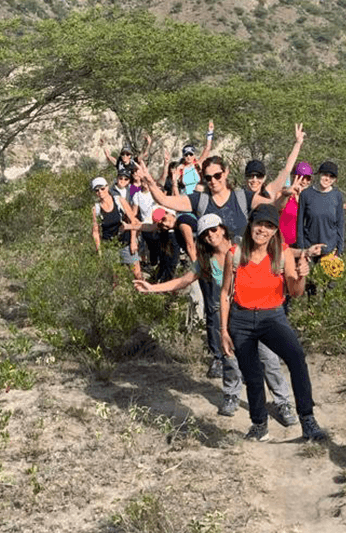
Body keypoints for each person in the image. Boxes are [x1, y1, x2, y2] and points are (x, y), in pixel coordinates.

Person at [134, 214, 297, 424]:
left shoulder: (243, 246)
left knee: (268, 359)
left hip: (260, 311)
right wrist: (152, 288)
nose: (211, 235)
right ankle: (231, 395)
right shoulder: (205, 261)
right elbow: (182, 281)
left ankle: (282, 401)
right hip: (230, 314)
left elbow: (276, 252)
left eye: (213, 230)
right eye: (205, 234)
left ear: (222, 228)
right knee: (230, 358)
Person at [220, 203, 326, 442]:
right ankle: (259, 425)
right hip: (241, 319)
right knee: (252, 374)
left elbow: (296, 292)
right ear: (251, 225)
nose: (263, 230)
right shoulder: (234, 253)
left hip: (272, 317)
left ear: (276, 230)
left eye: (269, 226)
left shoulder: (283, 253)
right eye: (259, 224)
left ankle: (307, 419)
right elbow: (225, 293)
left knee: (296, 357)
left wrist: (301, 276)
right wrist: (223, 330)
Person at [141, 157, 286, 240]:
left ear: (226, 173)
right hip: (212, 269)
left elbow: (273, 205)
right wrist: (149, 181)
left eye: (217, 175)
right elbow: (164, 201)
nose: (213, 181)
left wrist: (285, 195)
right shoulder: (200, 200)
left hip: (241, 265)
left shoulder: (242, 197)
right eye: (208, 177)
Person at [90, 176, 142, 280]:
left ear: (107, 187)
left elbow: (133, 221)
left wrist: (133, 241)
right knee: (114, 277)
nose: (100, 192)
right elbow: (95, 231)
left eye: (102, 188)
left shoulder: (119, 200)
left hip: (126, 242)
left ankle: (144, 292)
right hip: (110, 246)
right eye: (97, 190)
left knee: (137, 272)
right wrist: (99, 249)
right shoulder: (96, 208)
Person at [173, 120, 214, 195]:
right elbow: (174, 185)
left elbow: (207, 149)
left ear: (194, 155)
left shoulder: (198, 164)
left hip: (199, 197)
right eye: (186, 155)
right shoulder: (181, 168)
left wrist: (210, 132)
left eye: (190, 154)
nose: (188, 157)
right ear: (183, 156)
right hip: (185, 198)